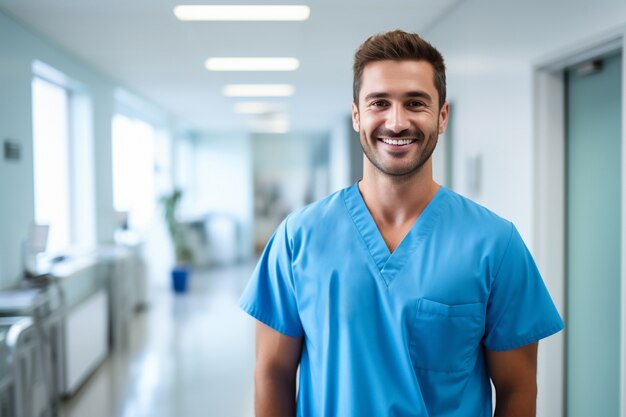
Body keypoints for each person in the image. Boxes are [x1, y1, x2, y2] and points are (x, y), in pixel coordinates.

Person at [239, 30, 564, 417]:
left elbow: (517, 389)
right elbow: (273, 374)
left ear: (442, 116)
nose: (396, 122)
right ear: (357, 114)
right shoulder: (298, 238)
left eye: (415, 103)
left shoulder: (495, 244)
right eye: (379, 103)